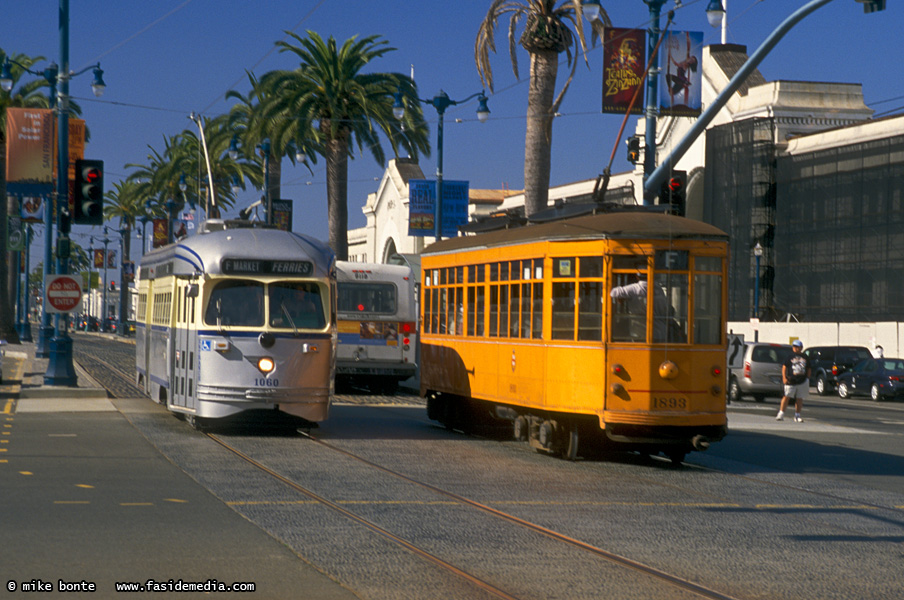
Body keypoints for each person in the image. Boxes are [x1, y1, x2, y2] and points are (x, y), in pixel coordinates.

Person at [777, 339, 811, 422]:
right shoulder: (790, 356)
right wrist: (784, 378)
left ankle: (797, 415)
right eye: (794, 347)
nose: (796, 348)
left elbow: (809, 368)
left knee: (799, 398)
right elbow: (784, 367)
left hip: (802, 380)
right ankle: (781, 413)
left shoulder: (805, 357)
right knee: (787, 396)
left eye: (798, 347)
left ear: (801, 348)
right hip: (791, 380)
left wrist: (807, 378)